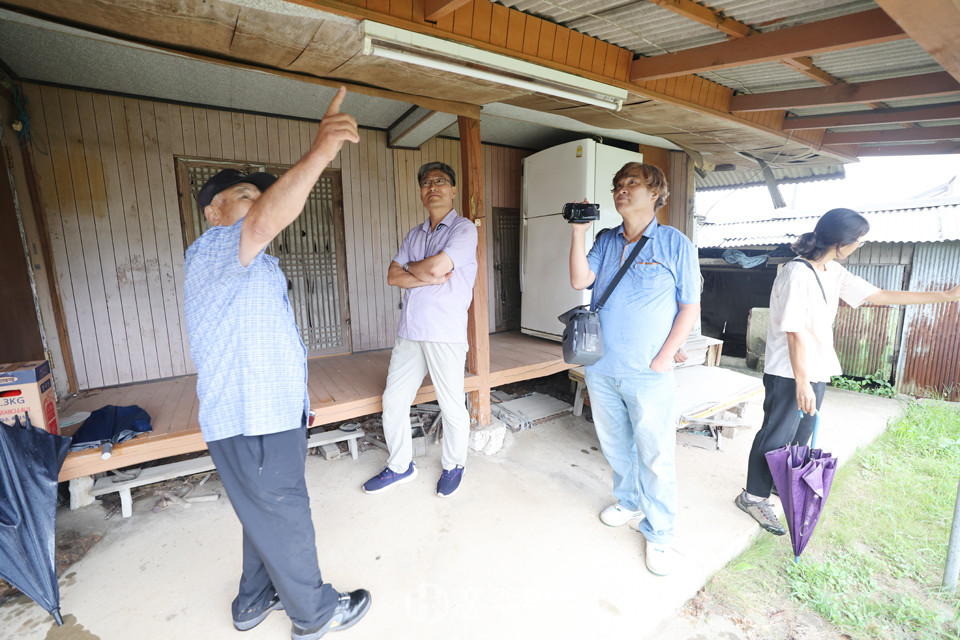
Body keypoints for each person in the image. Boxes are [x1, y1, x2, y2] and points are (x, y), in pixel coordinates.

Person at [183, 87, 371, 640]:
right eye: (245, 195)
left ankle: (252, 601)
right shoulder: (218, 246)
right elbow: (262, 223)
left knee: (260, 508)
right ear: (214, 211)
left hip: (262, 414)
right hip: (253, 418)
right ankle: (314, 614)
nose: (256, 204)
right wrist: (318, 154)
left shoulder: (249, 263)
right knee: (284, 510)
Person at [736, 207, 960, 535]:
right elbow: (794, 331)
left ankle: (779, 483)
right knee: (776, 433)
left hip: (816, 368)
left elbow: (879, 295)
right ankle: (753, 497)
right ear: (841, 242)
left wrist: (945, 296)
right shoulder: (797, 273)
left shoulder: (831, 270)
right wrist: (802, 382)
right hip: (790, 371)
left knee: (800, 435)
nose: (859, 246)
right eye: (858, 241)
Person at [568, 162, 701, 576]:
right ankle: (628, 500)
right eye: (617, 184)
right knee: (614, 442)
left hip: (648, 370)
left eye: (632, 184)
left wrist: (665, 356)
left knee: (656, 453)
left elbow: (689, 307)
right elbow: (579, 280)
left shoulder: (676, 244)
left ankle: (660, 531)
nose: (621, 190)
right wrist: (578, 231)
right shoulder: (607, 240)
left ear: (656, 194)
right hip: (601, 366)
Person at [362, 161, 478, 498]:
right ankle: (401, 466)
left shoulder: (464, 229)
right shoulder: (415, 234)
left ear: (453, 190)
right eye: (426, 183)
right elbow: (392, 275)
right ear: (421, 192)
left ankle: (455, 463)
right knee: (394, 400)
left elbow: (439, 266)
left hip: (445, 332)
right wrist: (423, 272)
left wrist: (418, 270)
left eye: (440, 181)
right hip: (409, 331)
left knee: (451, 403)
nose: (433, 187)